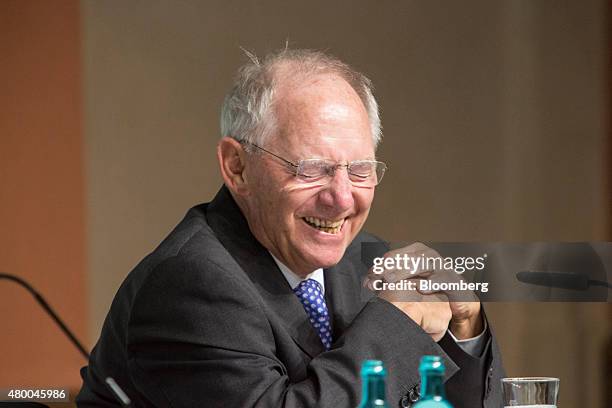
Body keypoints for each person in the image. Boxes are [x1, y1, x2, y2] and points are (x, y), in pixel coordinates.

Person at [76, 48, 504, 407]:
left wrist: (464, 329)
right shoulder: (192, 283)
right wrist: (396, 325)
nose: (340, 198)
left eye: (359, 170)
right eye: (312, 169)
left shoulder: (362, 260)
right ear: (237, 167)